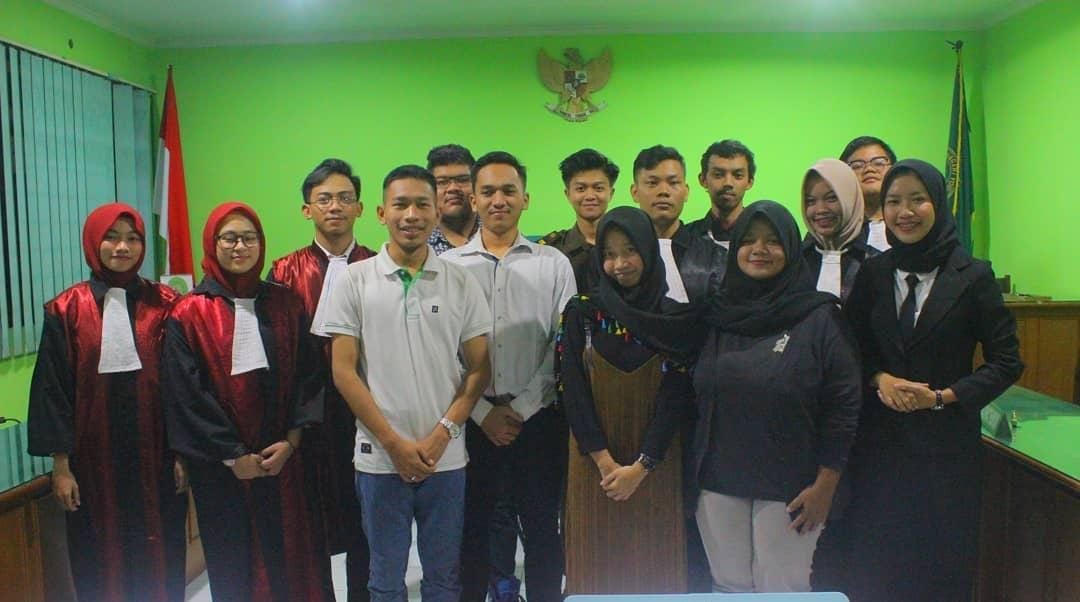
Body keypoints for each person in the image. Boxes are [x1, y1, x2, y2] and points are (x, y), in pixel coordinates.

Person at [843, 160, 1023, 602]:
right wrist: (879, 378)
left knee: (941, 573)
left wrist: (944, 397)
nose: (905, 212)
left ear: (938, 205)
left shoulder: (973, 275)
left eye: (917, 200)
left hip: (946, 454)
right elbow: (852, 349)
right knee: (877, 570)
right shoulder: (874, 273)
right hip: (879, 452)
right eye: (894, 201)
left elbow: (1007, 360)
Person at [324, 165, 491, 602]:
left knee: (443, 578)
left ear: (437, 213)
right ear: (382, 213)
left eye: (422, 205)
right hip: (379, 460)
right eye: (400, 204)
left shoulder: (461, 281)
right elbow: (343, 371)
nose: (411, 215)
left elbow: (479, 369)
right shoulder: (354, 280)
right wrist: (393, 444)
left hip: (446, 459)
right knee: (384, 580)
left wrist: (443, 434)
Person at [691, 200, 861, 593]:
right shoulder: (716, 316)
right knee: (728, 587)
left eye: (772, 241)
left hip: (793, 485)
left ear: (791, 247)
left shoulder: (820, 317)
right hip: (718, 479)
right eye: (748, 240)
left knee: (782, 590)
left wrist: (826, 485)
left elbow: (844, 406)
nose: (759, 250)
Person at [164, 202, 330, 602]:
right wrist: (232, 455)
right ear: (212, 243)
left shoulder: (286, 303)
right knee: (233, 563)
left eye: (249, 238)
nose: (240, 247)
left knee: (292, 558)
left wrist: (291, 442)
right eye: (229, 238)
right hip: (220, 470)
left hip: (283, 462)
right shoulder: (188, 313)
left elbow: (309, 377)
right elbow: (187, 394)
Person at [27, 203, 187, 602]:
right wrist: (61, 467)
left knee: (160, 553)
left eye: (133, 239)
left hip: (157, 457)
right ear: (93, 242)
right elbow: (53, 392)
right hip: (91, 461)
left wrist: (183, 454)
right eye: (111, 238)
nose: (123, 247)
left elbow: (181, 386)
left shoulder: (166, 303)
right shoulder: (65, 310)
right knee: (97, 557)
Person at [444, 151, 577, 602]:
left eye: (508, 190)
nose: (498, 200)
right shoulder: (449, 267)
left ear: (526, 198)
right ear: (473, 200)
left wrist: (519, 408)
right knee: (473, 531)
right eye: (488, 192)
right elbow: (443, 351)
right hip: (470, 422)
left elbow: (562, 346)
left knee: (542, 529)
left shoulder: (553, 263)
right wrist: (481, 412)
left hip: (537, 421)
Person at [558, 206, 693, 594]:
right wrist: (605, 462)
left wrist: (642, 467)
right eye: (609, 254)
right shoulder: (581, 312)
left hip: (657, 464)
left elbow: (676, 398)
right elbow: (572, 390)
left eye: (630, 251)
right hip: (594, 466)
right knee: (593, 572)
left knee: (656, 572)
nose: (620, 264)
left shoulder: (674, 318)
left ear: (649, 250)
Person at [269, 158, 377, 601]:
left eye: (345, 198)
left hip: (367, 410)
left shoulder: (379, 266)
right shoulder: (283, 272)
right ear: (306, 209)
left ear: (361, 208)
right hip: (307, 418)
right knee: (310, 520)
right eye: (325, 199)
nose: (335, 207)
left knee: (365, 520)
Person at [539, 148, 620, 292]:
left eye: (598, 188)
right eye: (581, 189)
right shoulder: (550, 251)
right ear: (568, 194)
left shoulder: (629, 246)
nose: (590, 196)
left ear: (611, 193)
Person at [800, 158, 878, 304]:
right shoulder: (796, 261)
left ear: (851, 199)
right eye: (810, 201)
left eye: (831, 198)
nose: (820, 210)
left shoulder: (874, 263)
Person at [685, 139, 757, 248]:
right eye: (718, 175)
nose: (728, 183)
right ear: (703, 180)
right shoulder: (685, 239)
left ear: (750, 182)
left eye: (738, 175)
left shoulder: (762, 238)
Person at [839, 135, 896, 252]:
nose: (869, 169)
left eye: (878, 163)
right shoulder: (834, 229)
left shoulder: (908, 221)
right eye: (857, 166)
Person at [427, 144, 480, 254]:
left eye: (462, 180)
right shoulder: (419, 244)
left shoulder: (497, 234)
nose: (453, 188)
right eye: (442, 182)